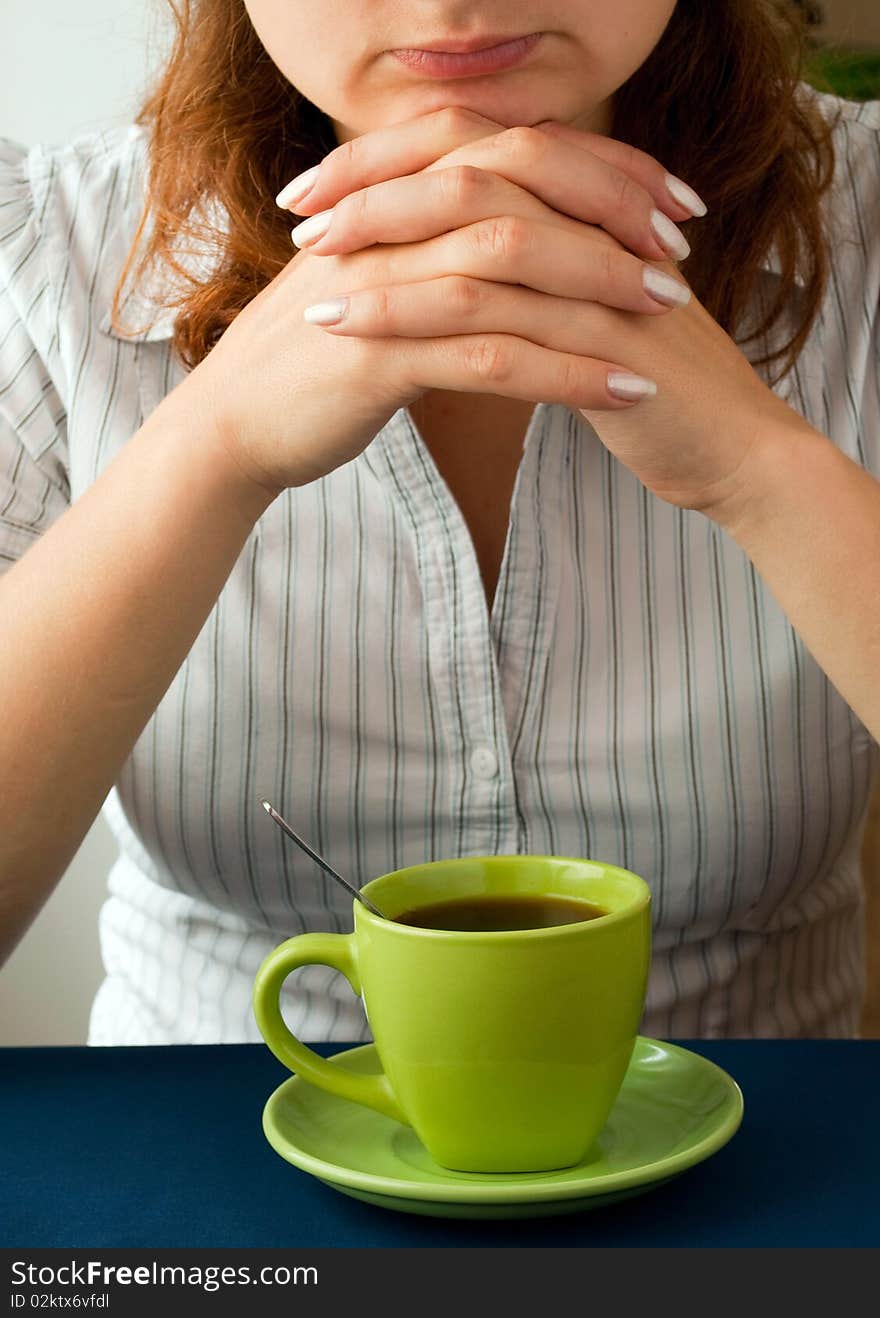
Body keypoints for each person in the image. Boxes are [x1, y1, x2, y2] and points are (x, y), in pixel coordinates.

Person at [1, 0, 878, 1044]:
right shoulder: (46, 251)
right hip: (197, 1158)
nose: (451, 1)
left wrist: (759, 470)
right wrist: (212, 446)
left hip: (772, 1156)